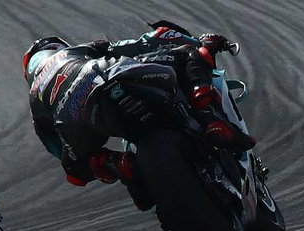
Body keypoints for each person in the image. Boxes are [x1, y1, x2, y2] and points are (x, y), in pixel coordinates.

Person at [22, 22, 255, 210]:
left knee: (79, 164)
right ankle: (208, 116)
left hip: (75, 119)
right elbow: (142, 43)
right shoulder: (76, 51)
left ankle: (124, 167)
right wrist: (196, 41)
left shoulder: (36, 99)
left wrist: (92, 162)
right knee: (188, 54)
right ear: (57, 48)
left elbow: (69, 167)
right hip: (103, 77)